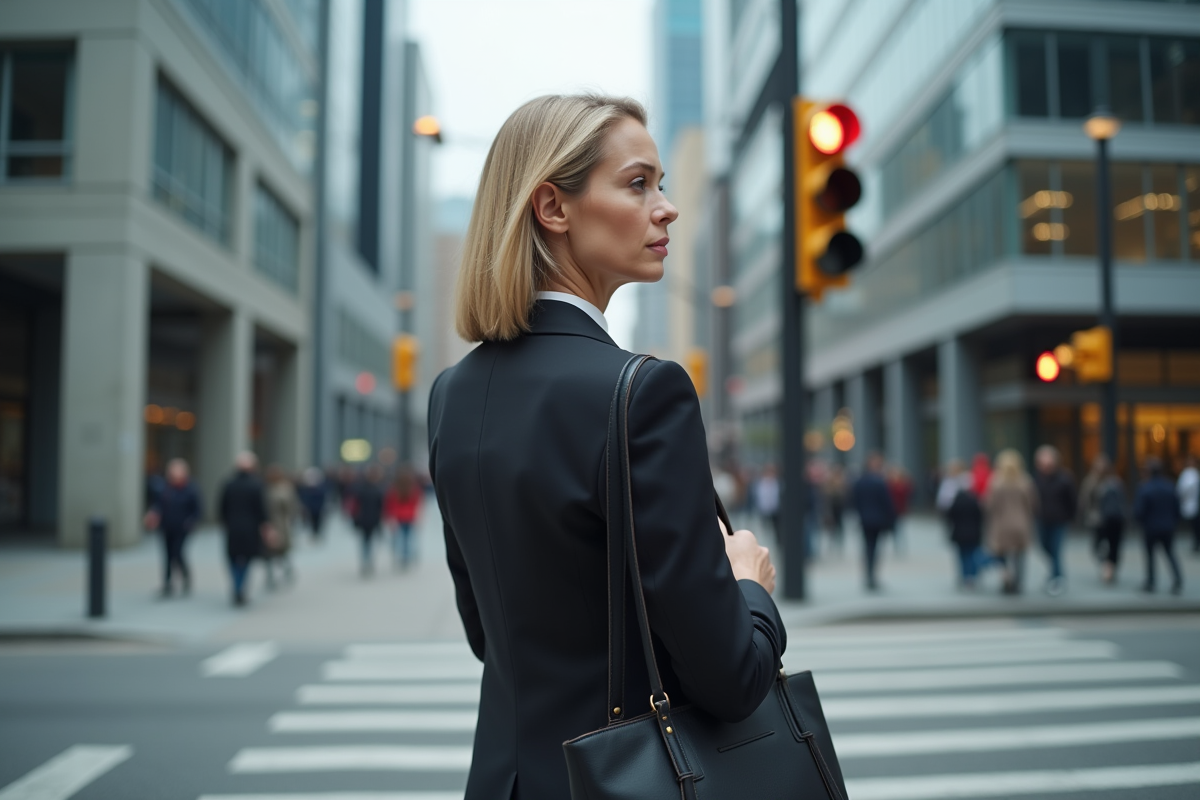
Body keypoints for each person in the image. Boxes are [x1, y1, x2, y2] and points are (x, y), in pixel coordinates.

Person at [427, 94, 784, 800]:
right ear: (553, 209)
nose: (667, 207)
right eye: (637, 183)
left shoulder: (449, 394)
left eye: (661, 182)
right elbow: (733, 678)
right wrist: (751, 589)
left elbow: (487, 635)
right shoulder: (643, 393)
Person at [143, 458, 201, 597]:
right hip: (166, 527)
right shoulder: (165, 488)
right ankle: (167, 583)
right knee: (167, 555)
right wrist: (153, 515)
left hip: (182, 528)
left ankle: (186, 575)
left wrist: (190, 522)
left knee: (178, 552)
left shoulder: (191, 489)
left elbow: (197, 509)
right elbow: (158, 505)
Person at [984, 449, 1037, 595]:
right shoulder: (1025, 481)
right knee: (1019, 556)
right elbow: (1031, 504)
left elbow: (990, 505)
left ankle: (1006, 578)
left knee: (1001, 554)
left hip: (1001, 525)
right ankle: (1018, 582)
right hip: (1021, 524)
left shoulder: (996, 482)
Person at [218, 452, 269, 607]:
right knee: (246, 560)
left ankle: (237, 586)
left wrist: (226, 522)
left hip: (232, 527)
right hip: (250, 528)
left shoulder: (228, 483)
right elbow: (261, 509)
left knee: (233, 559)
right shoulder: (257, 484)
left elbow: (222, 508)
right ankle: (240, 588)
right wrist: (265, 526)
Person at [1134, 457, 1183, 595]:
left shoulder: (1145, 487)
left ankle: (1151, 582)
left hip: (1150, 528)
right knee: (1170, 553)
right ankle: (1177, 580)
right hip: (1168, 527)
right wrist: (1173, 522)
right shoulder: (1169, 486)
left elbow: (1139, 511)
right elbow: (1177, 508)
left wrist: (1141, 522)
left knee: (1150, 556)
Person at [1033, 445, 1076, 596]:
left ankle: (1057, 578)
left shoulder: (1064, 478)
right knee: (1045, 547)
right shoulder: (1038, 479)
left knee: (1056, 549)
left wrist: (1070, 518)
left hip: (1059, 520)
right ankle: (1055, 574)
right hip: (1042, 520)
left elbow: (1072, 502)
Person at [851, 452, 896, 591]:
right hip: (875, 520)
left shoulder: (861, 481)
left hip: (867, 519)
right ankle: (871, 576)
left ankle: (870, 575)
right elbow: (887, 503)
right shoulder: (879, 481)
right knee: (873, 548)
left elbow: (854, 500)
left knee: (870, 548)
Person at [1080, 455, 1126, 585]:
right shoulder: (1092, 482)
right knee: (1099, 546)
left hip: (1110, 519)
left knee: (1112, 545)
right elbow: (1085, 500)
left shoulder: (1113, 482)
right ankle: (1107, 565)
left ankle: (1109, 567)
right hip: (1099, 520)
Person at [946, 470, 984, 589]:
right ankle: (971, 576)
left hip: (959, 532)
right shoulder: (974, 500)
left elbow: (950, 515)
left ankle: (963, 575)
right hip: (973, 533)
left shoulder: (956, 500)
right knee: (971, 555)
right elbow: (980, 516)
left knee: (962, 555)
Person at [264, 464, 299, 588]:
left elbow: (291, 506)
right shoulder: (265, 488)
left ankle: (287, 570)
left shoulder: (285, 488)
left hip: (281, 524)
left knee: (282, 551)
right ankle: (270, 577)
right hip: (268, 524)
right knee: (268, 553)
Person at [383, 466, 423, 570]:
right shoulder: (413, 488)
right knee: (407, 538)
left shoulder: (394, 489)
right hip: (409, 516)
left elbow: (390, 504)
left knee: (397, 539)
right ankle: (406, 557)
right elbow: (417, 503)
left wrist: (389, 517)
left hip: (398, 517)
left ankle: (399, 555)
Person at [352, 465, 385, 576]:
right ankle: (367, 562)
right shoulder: (377, 489)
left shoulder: (362, 488)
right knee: (367, 542)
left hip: (368, 519)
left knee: (366, 542)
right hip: (368, 519)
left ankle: (367, 562)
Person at [886, 465, 913, 555]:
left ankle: (900, 547)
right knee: (893, 530)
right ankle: (896, 546)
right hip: (890, 511)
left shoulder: (903, 485)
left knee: (900, 529)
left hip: (900, 510)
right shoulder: (888, 484)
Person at [298, 466, 328, 542]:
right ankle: (314, 533)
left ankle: (317, 533)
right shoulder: (306, 488)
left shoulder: (320, 486)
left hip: (318, 507)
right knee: (312, 521)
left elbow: (323, 497)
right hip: (311, 508)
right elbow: (304, 497)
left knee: (318, 521)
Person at [1177, 454, 1199, 554]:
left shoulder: (1193, 473)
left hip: (1194, 503)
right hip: (1191, 503)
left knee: (1195, 526)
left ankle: (1196, 543)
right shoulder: (1188, 473)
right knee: (1194, 526)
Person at [824, 462, 847, 554]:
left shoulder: (842, 482)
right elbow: (826, 498)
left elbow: (845, 496)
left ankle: (839, 544)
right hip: (832, 508)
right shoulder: (830, 483)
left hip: (839, 508)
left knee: (840, 526)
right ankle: (832, 544)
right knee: (832, 527)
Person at [754, 463, 780, 539]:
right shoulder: (761, 483)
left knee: (775, 529)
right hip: (764, 509)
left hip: (774, 510)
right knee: (764, 528)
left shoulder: (776, 483)